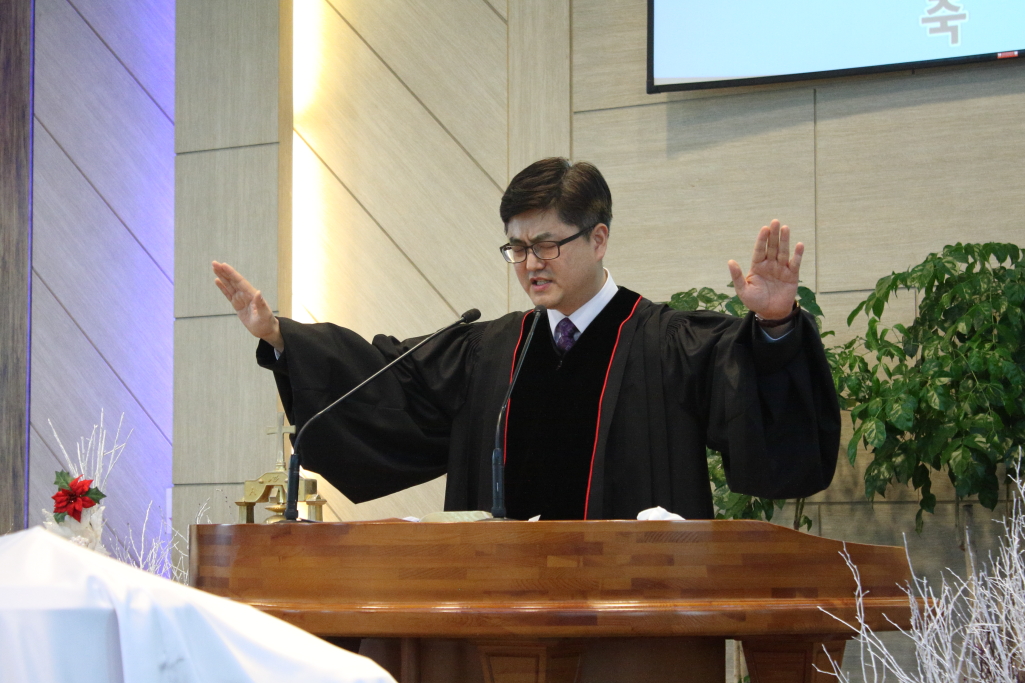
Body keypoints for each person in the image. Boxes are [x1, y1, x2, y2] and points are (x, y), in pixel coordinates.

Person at [213, 158, 840, 520]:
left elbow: (758, 412)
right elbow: (389, 379)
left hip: (633, 623)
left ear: (598, 239)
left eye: (546, 244)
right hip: (500, 617)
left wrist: (775, 327)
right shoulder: (488, 352)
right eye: (517, 247)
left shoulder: (667, 343)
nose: (530, 263)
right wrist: (282, 338)